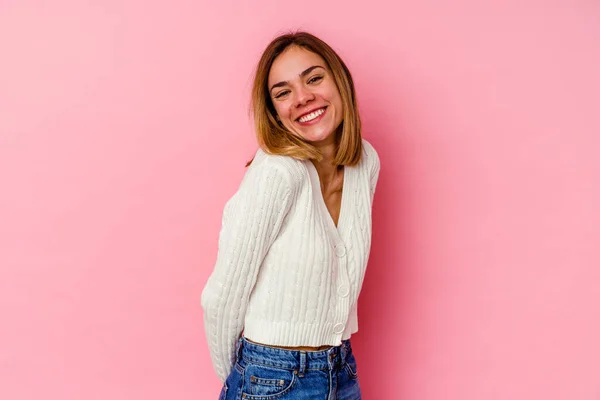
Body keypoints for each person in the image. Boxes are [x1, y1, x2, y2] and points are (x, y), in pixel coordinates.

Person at [200, 30, 380, 400]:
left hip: (341, 368)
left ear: (339, 80)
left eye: (314, 78)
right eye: (283, 92)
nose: (303, 98)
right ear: (275, 112)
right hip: (271, 377)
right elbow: (223, 294)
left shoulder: (366, 162)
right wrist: (244, 379)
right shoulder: (278, 172)